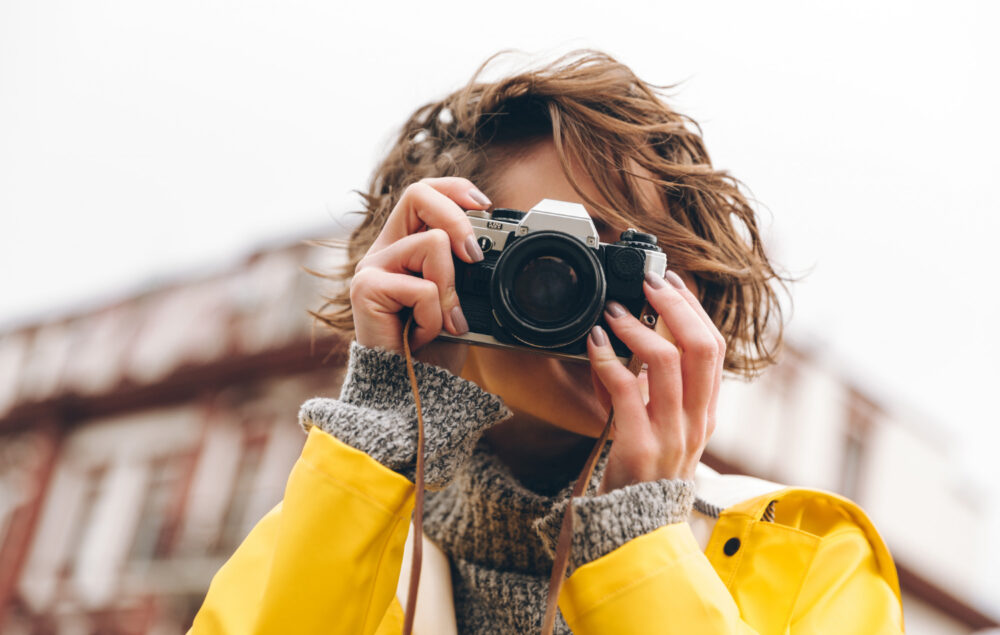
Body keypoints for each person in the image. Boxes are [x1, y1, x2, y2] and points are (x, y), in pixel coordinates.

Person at [190, 51, 904, 634]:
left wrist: (640, 539)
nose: (580, 293)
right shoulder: (317, 533)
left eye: (623, 267)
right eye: (548, 257)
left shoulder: (812, 559)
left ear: (695, 300)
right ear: (436, 260)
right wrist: (383, 422)